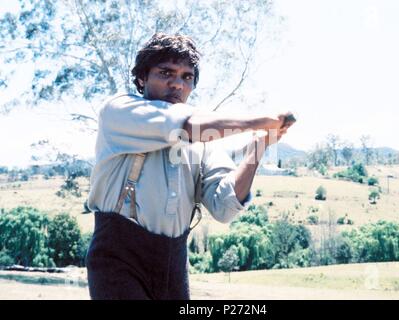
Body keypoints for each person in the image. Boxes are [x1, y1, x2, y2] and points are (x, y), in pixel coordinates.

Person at [86, 33, 296, 300]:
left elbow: (224, 205)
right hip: (119, 256)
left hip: (173, 261)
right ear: (142, 78)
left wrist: (259, 146)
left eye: (186, 77)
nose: (177, 85)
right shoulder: (119, 111)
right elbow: (183, 125)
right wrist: (259, 121)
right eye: (166, 73)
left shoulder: (204, 141)